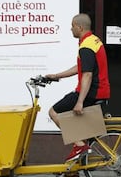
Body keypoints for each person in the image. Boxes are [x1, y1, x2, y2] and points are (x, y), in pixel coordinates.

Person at [46, 13, 110, 163]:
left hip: (92, 92)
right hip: (100, 90)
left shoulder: (86, 46)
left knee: (54, 112)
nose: (70, 29)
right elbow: (80, 67)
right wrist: (57, 75)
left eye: (72, 26)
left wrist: (80, 101)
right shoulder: (93, 41)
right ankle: (77, 161)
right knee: (75, 124)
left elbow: (87, 75)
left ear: (79, 27)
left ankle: (80, 145)